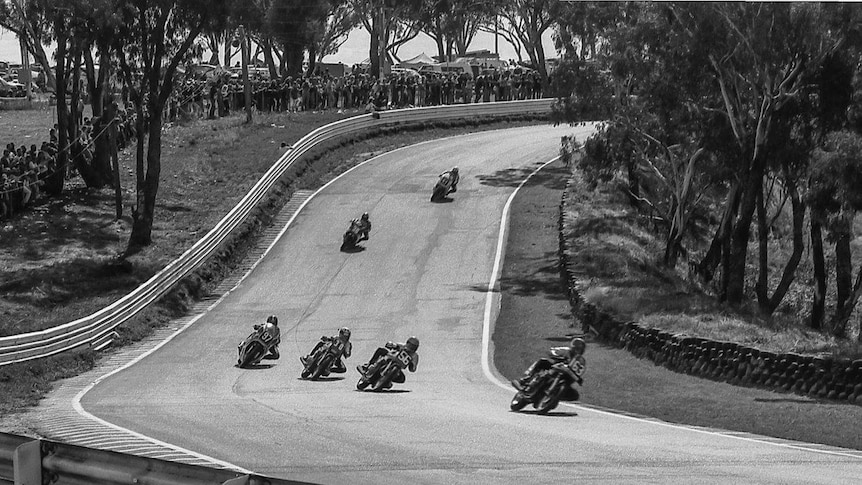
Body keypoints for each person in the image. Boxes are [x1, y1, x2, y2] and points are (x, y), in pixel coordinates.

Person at [511, 337, 586, 400]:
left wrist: (578, 379)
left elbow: (579, 371)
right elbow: (553, 350)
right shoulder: (565, 350)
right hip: (555, 367)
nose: (577, 351)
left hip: (566, 375)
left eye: (579, 350)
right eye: (576, 349)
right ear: (572, 347)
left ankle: (555, 396)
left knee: (575, 395)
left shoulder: (580, 361)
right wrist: (558, 357)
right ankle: (527, 378)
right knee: (542, 361)